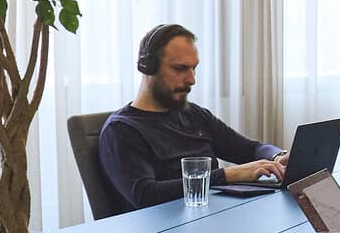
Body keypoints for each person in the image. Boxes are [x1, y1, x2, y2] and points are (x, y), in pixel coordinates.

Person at [98, 23, 285, 209]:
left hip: (212, 216)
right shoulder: (121, 130)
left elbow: (250, 149)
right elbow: (146, 195)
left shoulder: (195, 115)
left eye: (194, 68)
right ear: (148, 67)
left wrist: (277, 156)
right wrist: (228, 175)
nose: (191, 79)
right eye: (180, 68)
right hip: (165, 226)